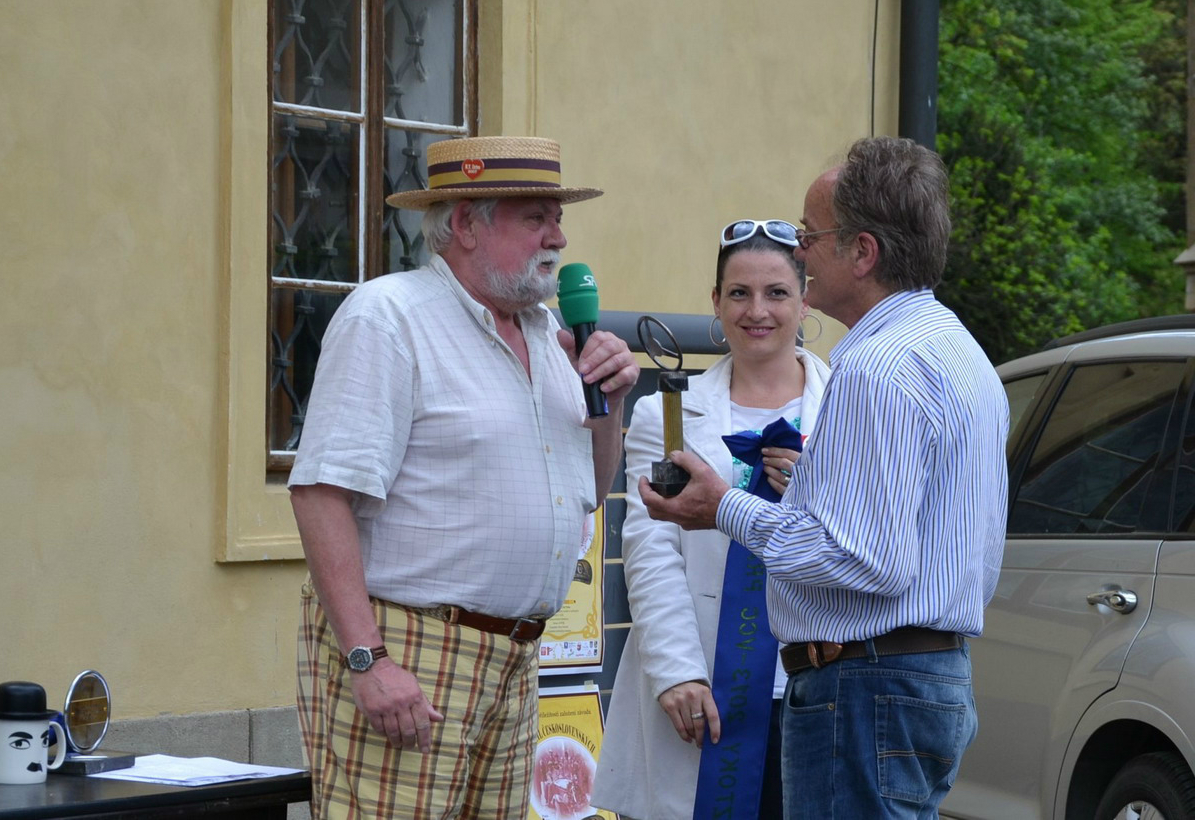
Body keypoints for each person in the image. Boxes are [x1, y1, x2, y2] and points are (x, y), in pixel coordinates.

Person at [639, 135, 1009, 819]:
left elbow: (864, 558)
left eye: (811, 235)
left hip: (865, 685)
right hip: (921, 675)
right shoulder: (957, 349)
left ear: (862, 252)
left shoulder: (874, 368)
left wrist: (723, 506)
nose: (801, 250)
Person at [288, 135, 640, 820]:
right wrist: (368, 659)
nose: (559, 237)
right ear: (465, 224)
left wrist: (612, 404)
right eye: (535, 217)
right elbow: (320, 494)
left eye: (558, 217)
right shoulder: (389, 317)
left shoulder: (549, 334)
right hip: (411, 645)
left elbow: (588, 494)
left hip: (517, 657)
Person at [593, 220, 832, 820]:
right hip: (705, 684)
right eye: (739, 293)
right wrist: (676, 672)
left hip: (816, 684)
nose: (758, 311)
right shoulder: (666, 414)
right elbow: (650, 551)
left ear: (805, 301)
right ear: (716, 302)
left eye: (777, 293)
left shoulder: (848, 407)